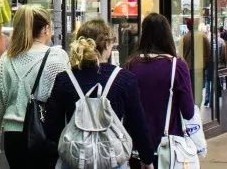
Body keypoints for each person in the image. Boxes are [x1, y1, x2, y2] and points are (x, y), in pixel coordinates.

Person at [44, 20, 156, 169]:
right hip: (113, 159)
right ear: (107, 44)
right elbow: (138, 125)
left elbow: (52, 127)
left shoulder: (64, 79)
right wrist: (147, 160)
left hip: (75, 160)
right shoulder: (125, 79)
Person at [0, 4, 69, 168]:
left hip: (13, 138)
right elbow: (68, 100)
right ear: (46, 29)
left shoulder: (6, 60)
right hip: (47, 134)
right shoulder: (58, 57)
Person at [125, 14, 196, 156]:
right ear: (167, 35)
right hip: (168, 147)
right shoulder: (177, 66)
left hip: (135, 146)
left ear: (143, 35)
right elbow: (188, 112)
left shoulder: (130, 65)